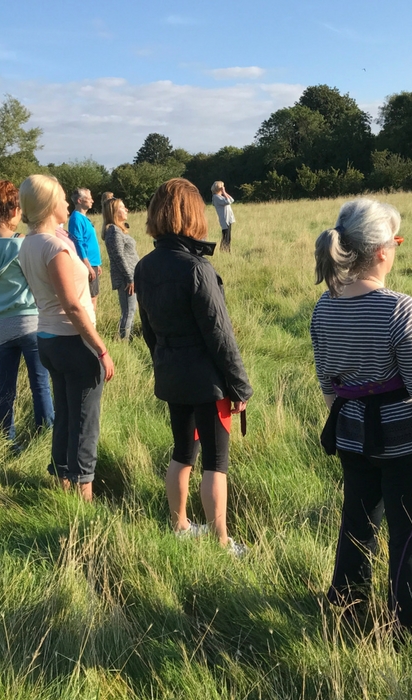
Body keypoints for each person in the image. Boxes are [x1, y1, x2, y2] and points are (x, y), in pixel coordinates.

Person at [311, 198, 412, 635]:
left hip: (352, 436)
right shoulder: (399, 308)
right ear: (380, 251)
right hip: (406, 444)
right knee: (409, 535)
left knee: (356, 526)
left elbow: (327, 385)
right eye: (396, 240)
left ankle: (345, 615)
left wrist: (354, 423)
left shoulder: (324, 306)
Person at [134, 178, 252, 555]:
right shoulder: (197, 268)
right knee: (216, 461)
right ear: (192, 215)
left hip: (170, 372)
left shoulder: (144, 267)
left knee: (182, 451)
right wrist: (240, 387)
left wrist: (164, 362)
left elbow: (148, 330)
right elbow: (220, 335)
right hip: (208, 381)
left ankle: (180, 523)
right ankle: (221, 541)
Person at [17, 175, 114, 501]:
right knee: (85, 421)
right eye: (62, 199)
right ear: (47, 205)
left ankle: (63, 482)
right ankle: (84, 494)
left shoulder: (31, 242)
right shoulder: (53, 247)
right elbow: (72, 304)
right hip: (73, 340)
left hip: (48, 338)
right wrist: (100, 348)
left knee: (67, 416)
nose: (68, 205)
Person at [0, 181, 54, 445]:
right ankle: (46, 437)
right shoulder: (22, 244)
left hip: (0, 326)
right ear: (14, 209)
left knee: (5, 388)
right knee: (40, 385)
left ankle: (6, 439)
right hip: (30, 321)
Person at [101, 196, 140, 340]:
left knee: (131, 311)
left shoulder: (118, 230)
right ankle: (124, 343)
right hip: (126, 279)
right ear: (114, 212)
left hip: (131, 277)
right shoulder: (113, 231)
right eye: (122, 207)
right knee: (128, 312)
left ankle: (126, 339)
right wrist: (130, 278)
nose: (126, 209)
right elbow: (118, 257)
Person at [67, 188, 102, 311]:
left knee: (94, 295)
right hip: (88, 264)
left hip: (93, 263)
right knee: (91, 298)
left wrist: (97, 264)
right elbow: (78, 243)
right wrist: (87, 264)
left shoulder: (84, 218)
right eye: (89, 198)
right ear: (79, 200)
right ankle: (90, 327)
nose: (92, 200)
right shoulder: (76, 218)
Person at [211, 181, 235, 253]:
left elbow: (232, 200)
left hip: (228, 219)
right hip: (225, 220)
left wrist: (224, 193)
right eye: (222, 187)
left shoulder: (220, 197)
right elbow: (228, 201)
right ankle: (224, 250)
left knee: (228, 237)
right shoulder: (216, 197)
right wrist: (224, 192)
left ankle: (226, 250)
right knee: (226, 236)